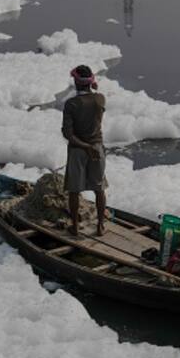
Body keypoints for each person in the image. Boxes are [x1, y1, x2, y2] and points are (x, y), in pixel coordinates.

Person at [62, 65, 107, 236]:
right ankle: (100, 226)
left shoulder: (71, 104)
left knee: (74, 190)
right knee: (99, 188)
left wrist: (84, 146)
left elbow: (68, 133)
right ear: (91, 82)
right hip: (97, 149)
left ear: (75, 82)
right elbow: (97, 116)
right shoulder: (100, 99)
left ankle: (75, 226)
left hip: (78, 150)